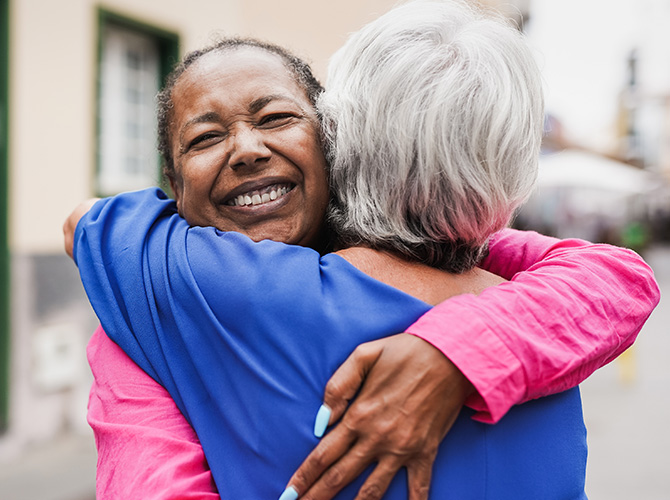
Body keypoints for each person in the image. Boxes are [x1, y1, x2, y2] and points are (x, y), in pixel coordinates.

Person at [65, 1, 659, 498]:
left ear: (335, 138)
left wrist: (458, 351)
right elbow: (617, 276)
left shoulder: (191, 291)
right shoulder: (548, 341)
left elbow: (89, 226)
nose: (246, 149)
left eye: (276, 117)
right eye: (205, 137)